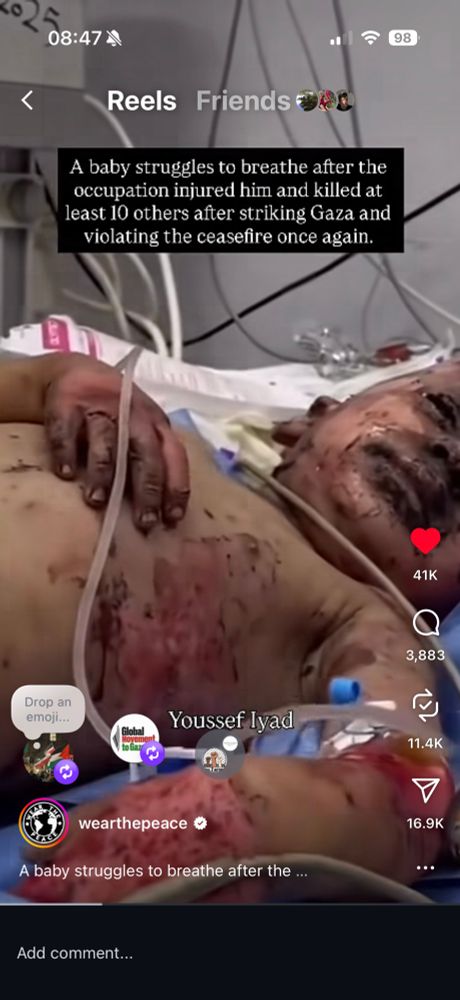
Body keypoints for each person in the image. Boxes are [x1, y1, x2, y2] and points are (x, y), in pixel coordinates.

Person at [0, 350, 452, 903]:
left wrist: (246, 816)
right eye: (443, 411)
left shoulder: (362, 621)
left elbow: (407, 795)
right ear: (313, 415)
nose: (451, 456)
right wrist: (47, 379)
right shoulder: (149, 426)